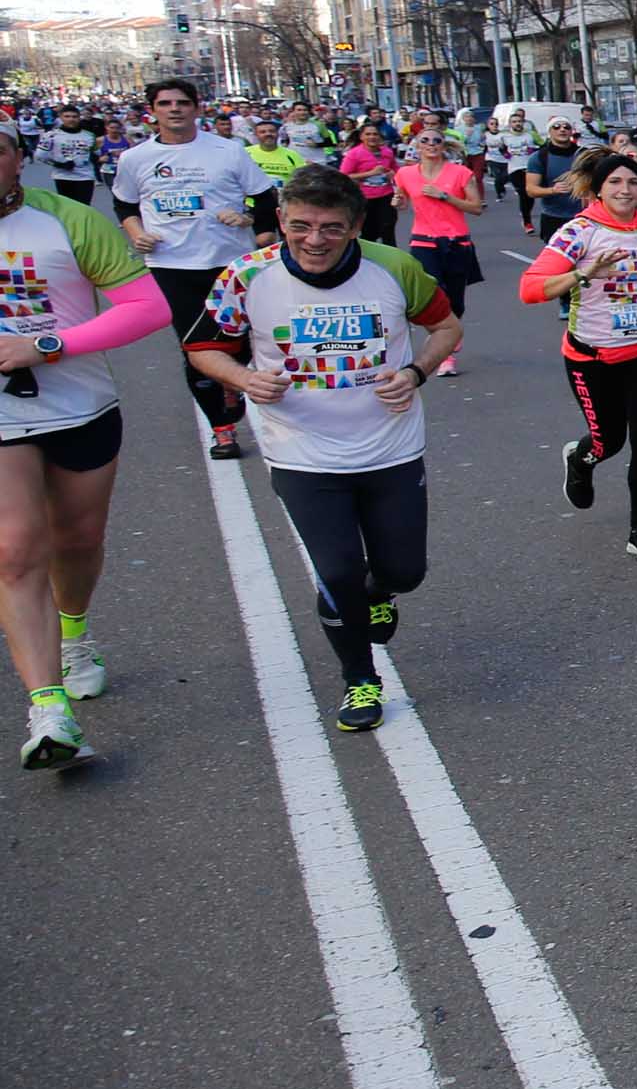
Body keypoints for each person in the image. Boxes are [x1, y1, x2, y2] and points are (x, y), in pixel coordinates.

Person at [187, 165, 459, 731]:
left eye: (331, 228)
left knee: (404, 570)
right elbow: (204, 348)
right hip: (301, 453)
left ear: (357, 226)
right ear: (281, 220)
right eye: (301, 225)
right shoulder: (246, 275)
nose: (314, 240)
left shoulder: (394, 267)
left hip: (391, 447)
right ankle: (359, 680)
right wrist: (243, 380)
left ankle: (379, 589)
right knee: (336, 572)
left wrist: (415, 372)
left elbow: (447, 329)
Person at [0, 121, 173, 770]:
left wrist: (46, 344)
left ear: (19, 158)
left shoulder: (66, 220)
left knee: (77, 541)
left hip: (77, 401)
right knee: (15, 549)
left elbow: (147, 307)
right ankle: (50, 709)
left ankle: (74, 633)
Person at [519, 150, 637, 563]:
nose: (625, 190)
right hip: (592, 358)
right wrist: (584, 273)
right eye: (615, 182)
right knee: (609, 441)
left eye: (633, 183)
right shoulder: (578, 233)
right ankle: (581, 459)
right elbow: (530, 289)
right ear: (598, 188)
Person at [112, 78, 278, 461]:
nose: (174, 109)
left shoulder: (228, 151)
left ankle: (232, 378)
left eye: (182, 102)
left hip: (229, 262)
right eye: (165, 103)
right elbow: (125, 205)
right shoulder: (134, 159)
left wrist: (250, 221)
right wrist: (137, 233)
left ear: (196, 107)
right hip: (171, 264)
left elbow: (265, 199)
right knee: (196, 347)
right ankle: (222, 430)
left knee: (243, 341)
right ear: (152, 111)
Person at [394, 129, 485, 377]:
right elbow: (402, 199)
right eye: (425, 140)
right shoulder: (405, 173)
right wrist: (398, 202)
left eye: (436, 140)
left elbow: (476, 208)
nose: (431, 144)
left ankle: (450, 337)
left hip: (456, 242)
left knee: (455, 302)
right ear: (416, 146)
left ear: (443, 145)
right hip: (424, 242)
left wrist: (445, 196)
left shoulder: (461, 173)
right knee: (434, 296)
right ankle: (445, 352)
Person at [525, 119, 587, 318]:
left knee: (587, 261)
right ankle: (565, 301)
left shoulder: (582, 155)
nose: (562, 130)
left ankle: (587, 300)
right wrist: (552, 190)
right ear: (549, 131)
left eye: (566, 127)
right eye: (557, 127)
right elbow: (531, 190)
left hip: (583, 216)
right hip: (554, 217)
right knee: (563, 264)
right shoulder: (539, 157)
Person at [339, 123, 400, 245]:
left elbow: (396, 170)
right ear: (361, 137)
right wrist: (370, 173)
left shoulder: (387, 152)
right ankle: (366, 259)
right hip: (365, 198)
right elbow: (344, 175)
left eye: (375, 134)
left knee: (388, 229)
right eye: (368, 134)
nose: (372, 137)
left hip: (386, 196)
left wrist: (393, 174)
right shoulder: (354, 154)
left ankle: (392, 260)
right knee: (369, 232)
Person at [40, 105, 99, 208]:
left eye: (74, 116)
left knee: (84, 208)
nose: (71, 119)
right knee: (68, 208)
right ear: (61, 118)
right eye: (67, 116)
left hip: (85, 176)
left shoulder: (89, 136)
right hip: (62, 176)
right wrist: (59, 164)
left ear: (79, 117)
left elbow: (96, 153)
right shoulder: (51, 135)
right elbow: (40, 155)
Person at [500, 109, 539, 233]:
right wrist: (506, 154)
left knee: (531, 195)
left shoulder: (530, 134)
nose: (517, 124)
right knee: (523, 193)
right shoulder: (505, 136)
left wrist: (534, 150)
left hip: (530, 167)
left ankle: (526, 215)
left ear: (523, 122)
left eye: (519, 121)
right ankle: (527, 222)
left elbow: (543, 145)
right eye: (514, 122)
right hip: (514, 168)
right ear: (510, 124)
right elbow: (501, 148)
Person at [281, 100, 335, 167]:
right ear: (294, 112)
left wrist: (316, 145)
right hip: (296, 161)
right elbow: (285, 141)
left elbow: (330, 143)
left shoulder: (318, 125)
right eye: (299, 110)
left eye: (305, 110)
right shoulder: (287, 126)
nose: (302, 112)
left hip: (316, 161)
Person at [481, 115, 510, 202]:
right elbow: (483, 146)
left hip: (504, 159)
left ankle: (502, 188)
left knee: (505, 177)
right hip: (491, 159)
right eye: (492, 124)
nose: (494, 126)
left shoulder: (503, 135)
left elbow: (508, 147)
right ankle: (499, 194)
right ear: (488, 125)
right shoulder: (485, 135)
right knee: (497, 176)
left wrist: (504, 148)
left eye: (496, 124)